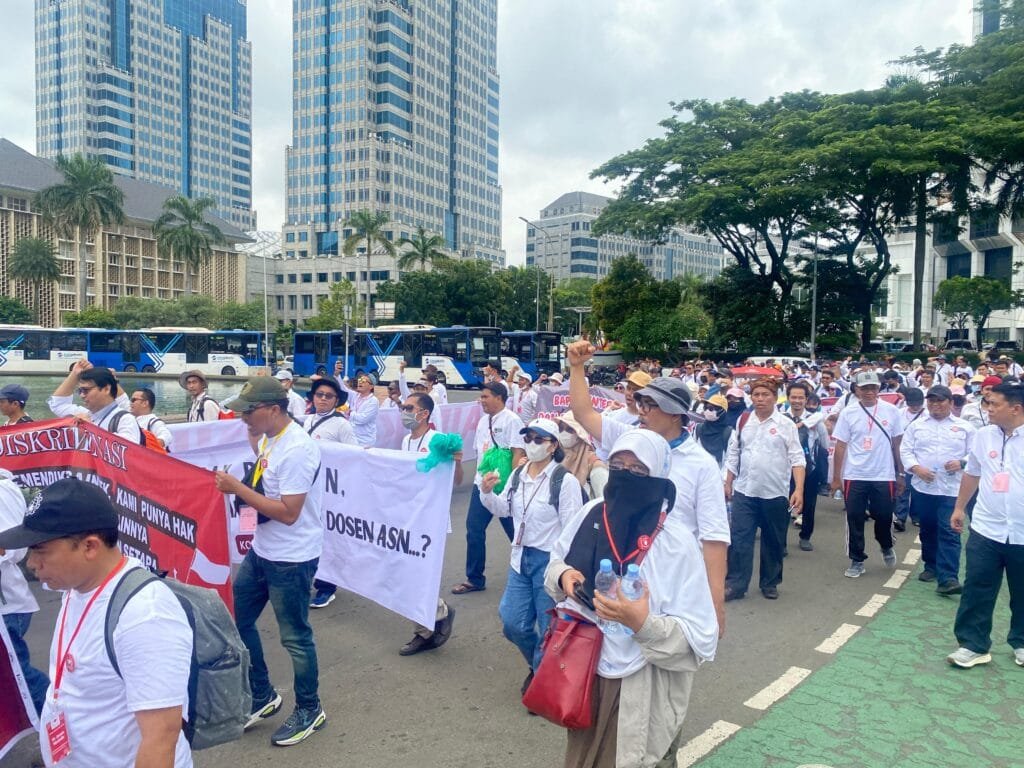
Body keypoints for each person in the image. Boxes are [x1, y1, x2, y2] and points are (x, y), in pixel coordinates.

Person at [545, 429, 718, 768]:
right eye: (617, 466)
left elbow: (700, 638)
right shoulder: (592, 514)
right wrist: (564, 576)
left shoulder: (676, 542)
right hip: (585, 667)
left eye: (638, 470)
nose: (625, 476)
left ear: (659, 478)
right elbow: (556, 561)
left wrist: (642, 624)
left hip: (641, 682)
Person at [0, 478, 192, 767]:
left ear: (90, 546)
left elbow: (161, 737)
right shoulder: (76, 587)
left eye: (40, 550)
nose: (31, 563)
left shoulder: (144, 614)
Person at [567, 341, 730, 636]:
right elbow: (583, 413)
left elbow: (714, 539)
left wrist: (715, 605)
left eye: (649, 405)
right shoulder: (630, 440)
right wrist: (577, 368)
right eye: (640, 402)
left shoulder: (702, 465)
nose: (640, 410)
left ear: (675, 414)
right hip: (622, 563)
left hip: (671, 577)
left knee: (659, 649)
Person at [214, 376, 326, 746]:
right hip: (262, 551)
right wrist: (252, 435)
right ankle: (262, 694)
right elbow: (262, 466)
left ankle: (310, 709)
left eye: (248, 411)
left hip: (291, 559)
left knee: (295, 638)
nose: (242, 417)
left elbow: (289, 513)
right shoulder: (269, 437)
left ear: (274, 410)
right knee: (236, 619)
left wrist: (237, 488)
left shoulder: (297, 449)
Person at [480, 418, 583, 694]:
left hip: (549, 561)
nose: (532, 444)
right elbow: (503, 509)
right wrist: (486, 492)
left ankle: (543, 679)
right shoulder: (518, 475)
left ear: (553, 446)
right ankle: (539, 665)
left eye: (539, 439)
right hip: (520, 556)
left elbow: (572, 530)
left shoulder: (564, 481)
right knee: (512, 622)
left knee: (549, 626)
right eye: (527, 438)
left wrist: (564, 570)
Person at [947, 383, 1024, 669]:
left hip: (1022, 532)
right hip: (986, 528)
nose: (988, 409)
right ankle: (973, 645)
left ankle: (1021, 642)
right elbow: (973, 473)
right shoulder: (983, 436)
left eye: (994, 404)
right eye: (987, 403)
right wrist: (959, 507)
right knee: (977, 587)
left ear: (1015, 408)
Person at [723, 378, 805, 600]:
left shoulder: (786, 425)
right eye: (756, 395)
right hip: (745, 491)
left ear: (775, 397)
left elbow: (797, 459)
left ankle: (770, 582)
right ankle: (735, 585)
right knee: (740, 539)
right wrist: (728, 482)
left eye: (765, 394)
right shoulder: (744, 420)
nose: (760, 399)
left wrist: (798, 489)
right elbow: (733, 453)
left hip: (775, 493)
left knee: (773, 540)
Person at [396, 392, 460, 655]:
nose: (404, 412)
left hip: (431, 519)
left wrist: (456, 461)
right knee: (407, 575)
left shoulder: (437, 440)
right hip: (410, 517)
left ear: (424, 414)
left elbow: (455, 480)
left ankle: (424, 631)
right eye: (403, 407)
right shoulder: (405, 441)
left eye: (409, 407)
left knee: (420, 576)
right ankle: (439, 612)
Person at [450, 382, 526, 594]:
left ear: (499, 398)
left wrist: (512, 486)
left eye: (485, 396)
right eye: (481, 396)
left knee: (515, 534)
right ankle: (475, 579)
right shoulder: (484, 421)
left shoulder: (512, 420)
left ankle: (529, 573)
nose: (481, 400)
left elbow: (518, 452)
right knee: (474, 529)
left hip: (504, 486)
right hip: (482, 485)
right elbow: (481, 453)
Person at [900, 385, 976, 596]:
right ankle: (931, 566)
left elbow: (975, 453)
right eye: (931, 401)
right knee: (928, 528)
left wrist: (961, 462)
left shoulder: (965, 427)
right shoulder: (917, 426)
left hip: (952, 489)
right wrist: (916, 468)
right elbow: (905, 450)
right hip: (924, 487)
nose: (935, 405)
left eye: (940, 400)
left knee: (950, 530)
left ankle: (948, 578)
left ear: (950, 403)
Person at [830, 370, 905, 579]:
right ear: (856, 389)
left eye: (873, 387)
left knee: (883, 515)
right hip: (855, 474)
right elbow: (840, 446)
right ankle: (857, 559)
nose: (869, 392)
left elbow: (898, 444)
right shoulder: (848, 413)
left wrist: (901, 473)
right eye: (864, 388)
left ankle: (886, 544)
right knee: (854, 517)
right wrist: (836, 478)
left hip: (884, 474)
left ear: (879, 388)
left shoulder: (892, 411)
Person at [306, 378, 358, 609]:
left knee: (328, 540)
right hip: (309, 489)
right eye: (319, 394)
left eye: (329, 396)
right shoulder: (308, 420)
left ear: (336, 401)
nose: (323, 399)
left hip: (331, 491)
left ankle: (326, 587)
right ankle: (311, 577)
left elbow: (353, 456)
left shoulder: (341, 425)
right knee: (310, 536)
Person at [0, 469, 48, 714]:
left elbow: (12, 547)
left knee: (18, 677)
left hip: (8, 609)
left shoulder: (2, 490)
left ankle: (62, 718)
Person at [48, 359, 141, 443]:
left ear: (106, 389)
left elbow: (129, 451)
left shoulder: (125, 420)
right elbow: (57, 405)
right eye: (80, 391)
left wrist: (91, 428)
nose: (82, 395)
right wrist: (75, 374)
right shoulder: (84, 415)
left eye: (86, 390)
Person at [784, 382, 828, 551]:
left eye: (800, 398)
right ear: (788, 398)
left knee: (809, 505)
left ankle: (805, 537)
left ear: (806, 399)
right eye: (793, 397)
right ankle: (781, 541)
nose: (797, 401)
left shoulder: (815, 420)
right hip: (785, 469)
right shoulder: (780, 418)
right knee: (782, 505)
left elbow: (824, 443)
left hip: (810, 469)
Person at [334, 362, 379, 447]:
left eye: (363, 381)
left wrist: (349, 412)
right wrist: (337, 374)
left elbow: (362, 419)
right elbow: (343, 389)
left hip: (365, 441)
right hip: (352, 437)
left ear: (371, 386)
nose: (360, 382)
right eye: (359, 380)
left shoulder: (373, 401)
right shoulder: (355, 396)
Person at [693, 393, 732, 468]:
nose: (708, 411)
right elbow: (693, 453)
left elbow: (730, 461)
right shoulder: (698, 428)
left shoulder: (729, 433)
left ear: (722, 412)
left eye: (711, 408)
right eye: (705, 407)